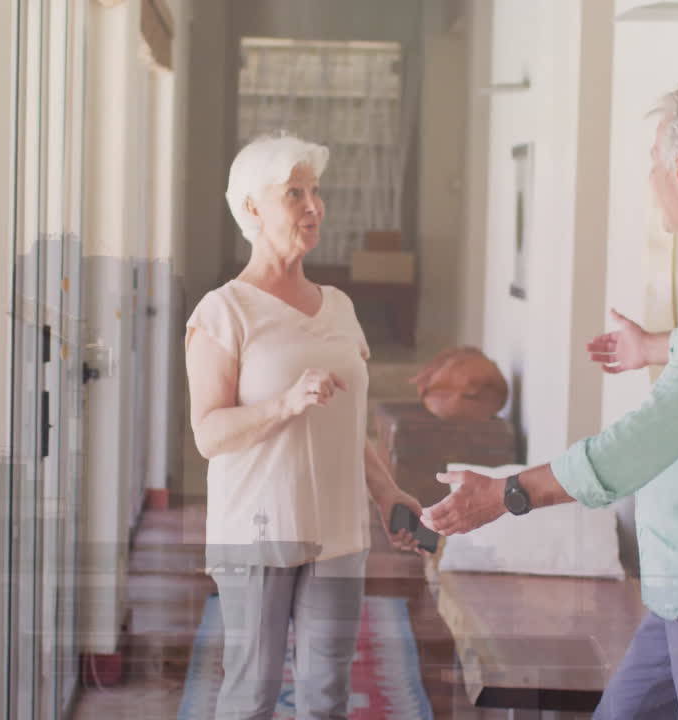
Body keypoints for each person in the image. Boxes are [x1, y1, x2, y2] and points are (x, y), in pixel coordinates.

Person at [421, 81, 678, 719]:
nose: (650, 178)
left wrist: (509, 494)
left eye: (653, 160)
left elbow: (649, 437)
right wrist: (654, 346)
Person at [185, 132, 424, 719]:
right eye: (295, 193)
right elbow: (209, 434)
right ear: (252, 208)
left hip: (338, 531)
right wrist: (285, 404)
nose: (314, 206)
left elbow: (348, 424)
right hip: (259, 529)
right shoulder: (224, 311)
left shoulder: (339, 306)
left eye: (316, 191)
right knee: (252, 694)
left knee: (326, 696)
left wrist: (386, 491)